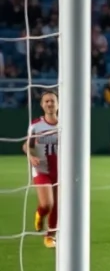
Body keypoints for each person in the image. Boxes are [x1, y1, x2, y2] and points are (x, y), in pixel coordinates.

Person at [24, 91, 59, 248]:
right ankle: (39, 215)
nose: (50, 104)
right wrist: (31, 156)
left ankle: (49, 237)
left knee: (57, 204)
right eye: (47, 101)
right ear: (42, 105)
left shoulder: (66, 124)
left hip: (60, 170)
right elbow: (26, 145)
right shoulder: (36, 125)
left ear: (58, 103)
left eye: (52, 101)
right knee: (47, 204)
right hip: (41, 169)